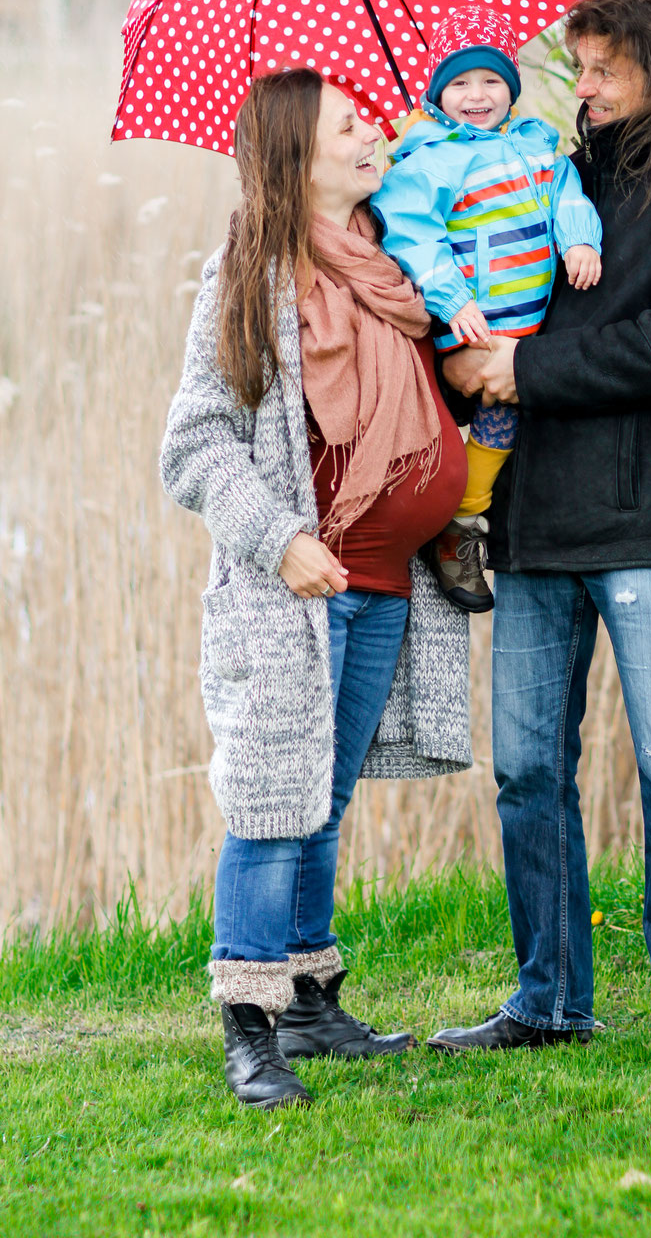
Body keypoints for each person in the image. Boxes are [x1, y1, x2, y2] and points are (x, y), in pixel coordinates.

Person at [426, 0, 651, 1072]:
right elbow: (493, 290)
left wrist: (522, 364)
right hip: (534, 520)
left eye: (602, 68)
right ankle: (550, 998)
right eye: (576, 69)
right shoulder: (553, 176)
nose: (582, 87)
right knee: (528, 769)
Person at [160, 69, 472, 1110]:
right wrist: (278, 535)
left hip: (385, 581)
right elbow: (196, 444)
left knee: (321, 797)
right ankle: (249, 1027)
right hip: (293, 589)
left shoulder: (398, 262)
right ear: (299, 158)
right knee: (268, 798)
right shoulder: (250, 275)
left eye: (371, 118)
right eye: (350, 125)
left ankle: (307, 997)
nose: (373, 132)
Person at [371, 5, 602, 613]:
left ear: (512, 87)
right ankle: (451, 518)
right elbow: (413, 236)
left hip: (532, 326)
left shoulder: (535, 147)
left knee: (506, 416)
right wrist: (452, 300)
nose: (478, 95)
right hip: (474, 320)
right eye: (460, 82)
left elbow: (567, 193)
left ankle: (462, 517)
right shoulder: (425, 160)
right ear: (437, 92)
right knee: (484, 400)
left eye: (492, 80)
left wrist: (580, 238)